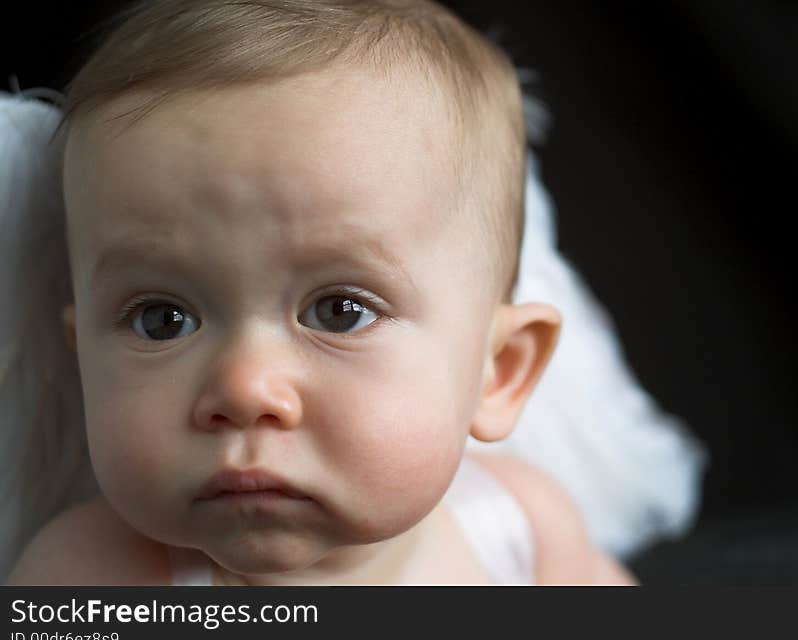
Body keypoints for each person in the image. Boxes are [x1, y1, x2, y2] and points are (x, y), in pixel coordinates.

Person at [3, 0, 700, 585]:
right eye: (162, 320)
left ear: (501, 372)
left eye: (340, 311)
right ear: (80, 363)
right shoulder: (95, 576)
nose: (245, 389)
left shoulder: (518, 531)